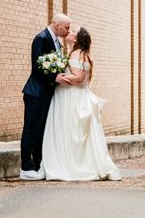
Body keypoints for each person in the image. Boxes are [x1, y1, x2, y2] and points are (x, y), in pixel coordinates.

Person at [40, 26, 122, 181]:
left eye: (72, 32)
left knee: (69, 131)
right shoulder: (82, 54)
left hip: (71, 97)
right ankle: (77, 162)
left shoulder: (76, 54)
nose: (69, 33)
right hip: (79, 95)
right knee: (76, 133)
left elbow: (78, 78)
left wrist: (59, 76)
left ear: (76, 39)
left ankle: (70, 165)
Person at [20, 13, 71, 180]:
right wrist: (54, 77)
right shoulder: (41, 38)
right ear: (56, 25)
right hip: (35, 93)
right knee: (31, 129)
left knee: (41, 130)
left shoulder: (56, 41)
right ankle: (26, 167)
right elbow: (36, 65)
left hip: (46, 93)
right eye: (66, 27)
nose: (68, 31)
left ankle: (37, 165)